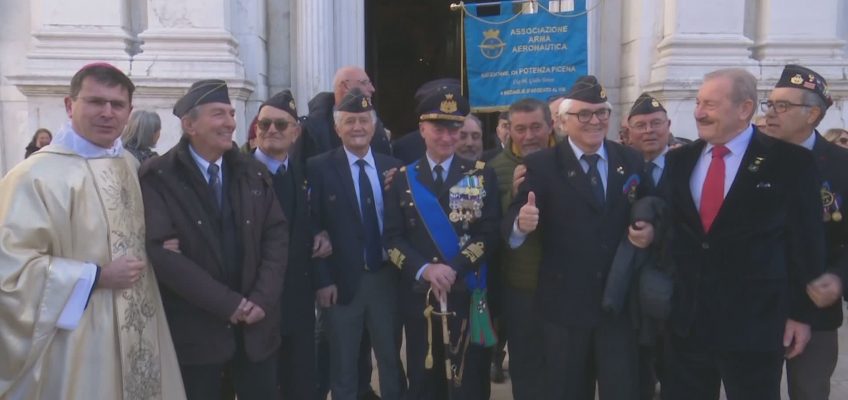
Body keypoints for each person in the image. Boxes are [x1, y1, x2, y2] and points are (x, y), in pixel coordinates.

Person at [0, 62, 185, 399]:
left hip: (141, 327)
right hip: (78, 336)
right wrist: (94, 276)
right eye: (95, 102)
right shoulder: (33, 176)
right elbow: (11, 273)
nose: (107, 113)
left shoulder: (128, 164)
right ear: (70, 106)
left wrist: (159, 245)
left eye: (117, 105)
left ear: (129, 111)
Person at [653, 68, 825, 400]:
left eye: (711, 105)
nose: (699, 112)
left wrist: (801, 315)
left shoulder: (790, 162)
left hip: (756, 326)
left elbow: (806, 243)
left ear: (744, 109)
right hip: (687, 324)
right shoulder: (679, 161)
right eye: (699, 102)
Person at [140, 79, 288, 400]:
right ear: (189, 124)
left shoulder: (252, 172)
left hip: (255, 331)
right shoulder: (159, 177)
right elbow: (164, 256)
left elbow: (276, 237)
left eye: (232, 113)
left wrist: (260, 301)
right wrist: (229, 305)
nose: (231, 123)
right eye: (219, 114)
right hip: (197, 336)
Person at [506, 75, 650, 400]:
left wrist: (651, 227)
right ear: (562, 122)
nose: (594, 121)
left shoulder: (629, 159)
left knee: (621, 389)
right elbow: (513, 220)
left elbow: (652, 204)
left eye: (602, 112)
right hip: (564, 307)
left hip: (618, 303)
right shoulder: (541, 165)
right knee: (567, 389)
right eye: (584, 114)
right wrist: (521, 224)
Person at [384, 85, 500, 400]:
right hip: (420, 298)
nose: (448, 137)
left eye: (454, 129)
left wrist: (454, 268)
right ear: (422, 129)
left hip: (465, 292)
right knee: (424, 381)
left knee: (469, 382)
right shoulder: (402, 179)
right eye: (439, 128)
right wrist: (424, 270)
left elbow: (489, 234)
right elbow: (391, 241)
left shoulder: (481, 175)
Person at [308, 89, 403, 400]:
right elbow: (313, 226)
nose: (358, 127)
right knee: (344, 365)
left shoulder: (394, 167)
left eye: (363, 120)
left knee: (390, 360)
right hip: (341, 283)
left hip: (386, 278)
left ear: (373, 126)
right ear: (337, 128)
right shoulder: (319, 167)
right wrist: (323, 280)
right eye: (350, 121)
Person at [761, 64, 847, 400]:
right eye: (769, 104)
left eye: (783, 106)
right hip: (759, 307)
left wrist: (839, 277)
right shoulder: (751, 160)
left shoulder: (841, 166)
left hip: (816, 309)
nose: (771, 113)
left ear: (812, 114)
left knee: (809, 391)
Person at [251, 90, 329, 399]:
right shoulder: (238, 173)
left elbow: (307, 222)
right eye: (265, 123)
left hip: (298, 301)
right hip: (257, 301)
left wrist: (321, 234)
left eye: (281, 125)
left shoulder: (301, 172)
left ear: (295, 133)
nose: (272, 130)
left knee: (301, 385)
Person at [489, 97, 556, 399]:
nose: (529, 136)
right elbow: (489, 228)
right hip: (520, 288)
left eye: (535, 127)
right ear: (507, 131)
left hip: (565, 287)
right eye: (520, 129)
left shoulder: (569, 160)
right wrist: (514, 198)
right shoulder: (494, 169)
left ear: (550, 126)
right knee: (526, 368)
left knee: (566, 370)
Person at [304, 66, 392, 158]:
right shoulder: (312, 130)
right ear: (346, 86)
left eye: (363, 120)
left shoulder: (374, 119)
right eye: (364, 83)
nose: (372, 89)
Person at [392, 78, 461, 166]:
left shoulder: (470, 138)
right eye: (438, 129)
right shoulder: (405, 147)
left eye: (453, 129)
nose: (446, 138)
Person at [627, 93, 672, 190]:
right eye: (640, 125)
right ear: (629, 132)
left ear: (668, 125)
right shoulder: (623, 168)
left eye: (656, 123)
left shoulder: (684, 164)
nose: (649, 130)